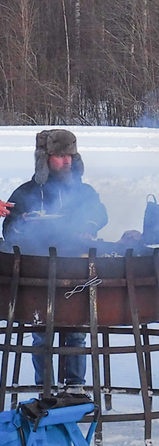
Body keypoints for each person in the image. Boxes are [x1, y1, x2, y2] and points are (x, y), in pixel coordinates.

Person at [4, 129, 108, 390]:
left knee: (76, 332)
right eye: (60, 156)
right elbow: (9, 231)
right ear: (45, 158)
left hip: (75, 269)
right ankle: (45, 389)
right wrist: (25, 226)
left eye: (70, 156)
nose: (67, 161)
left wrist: (88, 225)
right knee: (41, 334)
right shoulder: (27, 192)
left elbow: (99, 214)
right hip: (39, 272)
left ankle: (74, 388)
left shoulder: (84, 192)